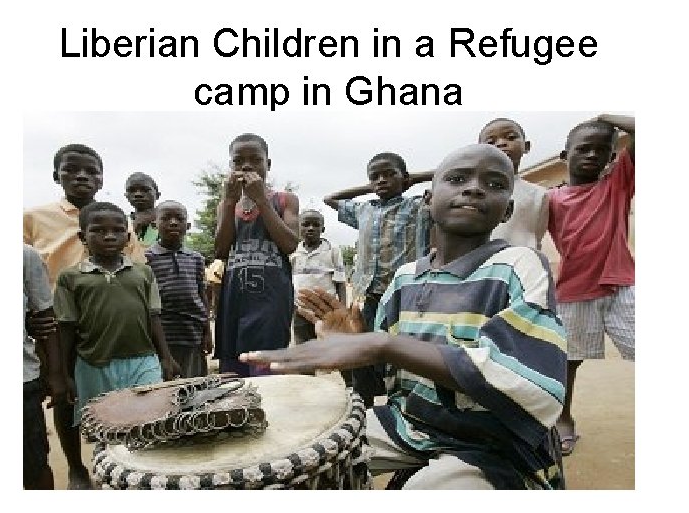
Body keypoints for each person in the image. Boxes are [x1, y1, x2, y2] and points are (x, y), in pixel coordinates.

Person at [242, 144, 567, 489]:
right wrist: (356, 349)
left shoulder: (519, 264)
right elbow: (385, 381)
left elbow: (531, 385)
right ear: (427, 200)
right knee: (302, 449)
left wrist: (382, 344)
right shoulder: (404, 278)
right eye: (456, 179)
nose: (473, 188)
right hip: (410, 424)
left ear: (508, 211)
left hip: (490, 442)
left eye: (495, 184)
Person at [23, 143, 145, 489]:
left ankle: (124, 458)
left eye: (91, 171)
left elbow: (136, 271)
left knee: (118, 390)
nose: (82, 176)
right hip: (58, 327)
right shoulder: (33, 218)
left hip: (108, 321)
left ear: (101, 177)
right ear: (56, 175)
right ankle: (76, 468)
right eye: (72, 169)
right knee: (64, 394)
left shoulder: (118, 221)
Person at [54, 202, 180, 441]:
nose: (109, 236)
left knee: (149, 421)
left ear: (127, 235)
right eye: (99, 231)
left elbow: (154, 317)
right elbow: (67, 327)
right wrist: (65, 373)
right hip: (94, 363)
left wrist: (166, 357)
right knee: (105, 427)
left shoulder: (143, 273)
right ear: (83, 236)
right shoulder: (71, 278)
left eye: (118, 230)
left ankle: (144, 475)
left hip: (143, 360)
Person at [547, 114, 635, 456]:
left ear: (613, 158)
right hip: (573, 292)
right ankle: (563, 418)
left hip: (621, 287)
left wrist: (603, 117)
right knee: (567, 361)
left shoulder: (616, 186)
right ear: (564, 156)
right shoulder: (550, 199)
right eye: (584, 149)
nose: (593, 155)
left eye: (603, 150)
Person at [323, 151, 433, 407]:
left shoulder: (419, 206)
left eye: (389, 175)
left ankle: (403, 409)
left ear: (404, 178)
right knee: (364, 355)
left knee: (400, 357)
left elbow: (450, 174)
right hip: (368, 298)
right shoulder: (363, 209)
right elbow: (330, 198)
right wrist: (371, 186)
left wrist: (412, 179)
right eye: (375, 176)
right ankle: (365, 408)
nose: (381, 180)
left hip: (404, 299)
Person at [213, 133, 299, 377]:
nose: (247, 166)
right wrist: (229, 201)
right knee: (233, 370)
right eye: (238, 161)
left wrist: (261, 199)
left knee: (266, 367)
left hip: (271, 297)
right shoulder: (227, 204)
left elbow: (291, 244)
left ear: (267, 165)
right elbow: (220, 250)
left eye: (255, 160)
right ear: (231, 166)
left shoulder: (285, 200)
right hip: (235, 296)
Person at [145, 200, 212, 378]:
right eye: (166, 218)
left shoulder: (196, 258)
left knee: (194, 383)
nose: (173, 223)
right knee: (166, 384)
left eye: (179, 219)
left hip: (193, 334)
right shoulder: (147, 259)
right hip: (163, 336)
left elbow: (201, 294)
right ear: (154, 225)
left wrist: (207, 332)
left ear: (187, 225)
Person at [23, 244, 65, 490]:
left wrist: (56, 374)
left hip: (22, 379)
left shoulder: (24, 255)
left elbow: (44, 315)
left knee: (33, 464)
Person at [479, 118, 549, 249]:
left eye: (510, 137)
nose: (501, 143)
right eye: (491, 142)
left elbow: (536, 233)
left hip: (519, 263)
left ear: (526, 147)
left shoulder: (539, 194)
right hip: (479, 264)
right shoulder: (473, 189)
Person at [290, 209, 347, 344]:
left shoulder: (332, 250)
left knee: (326, 346)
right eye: (305, 224)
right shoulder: (293, 250)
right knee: (302, 348)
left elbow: (340, 283)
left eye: (316, 225)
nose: (311, 228)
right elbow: (289, 282)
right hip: (301, 310)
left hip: (326, 309)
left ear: (323, 228)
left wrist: (342, 310)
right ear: (299, 227)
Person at [125, 171, 161, 247]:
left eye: (145, 190)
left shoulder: (169, 220)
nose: (138, 194)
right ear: (126, 196)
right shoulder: (120, 221)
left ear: (157, 194)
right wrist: (135, 226)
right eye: (131, 190)